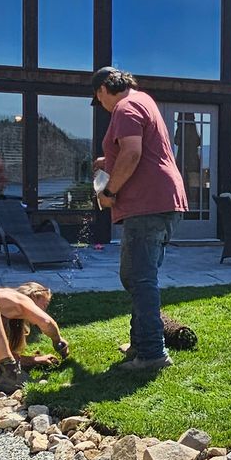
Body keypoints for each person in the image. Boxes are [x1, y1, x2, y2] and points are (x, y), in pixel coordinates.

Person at [90, 66, 187, 371]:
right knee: (135, 276)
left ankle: (152, 353)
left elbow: (132, 154)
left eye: (98, 98)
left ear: (105, 88)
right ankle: (141, 342)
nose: (101, 105)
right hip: (162, 201)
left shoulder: (125, 106)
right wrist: (107, 162)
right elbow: (142, 153)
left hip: (147, 204)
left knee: (141, 278)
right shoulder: (144, 101)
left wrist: (110, 192)